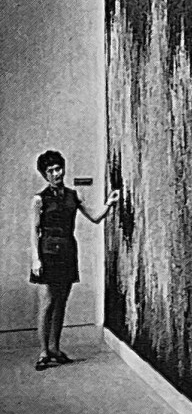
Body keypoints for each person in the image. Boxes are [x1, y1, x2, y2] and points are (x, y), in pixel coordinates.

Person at [30, 150, 120, 371]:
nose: (56, 174)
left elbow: (95, 217)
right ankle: (43, 352)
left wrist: (109, 203)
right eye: (50, 171)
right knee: (47, 303)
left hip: (67, 252)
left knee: (61, 301)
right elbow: (34, 231)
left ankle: (55, 348)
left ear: (63, 169)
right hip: (47, 253)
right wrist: (35, 259)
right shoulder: (39, 199)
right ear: (44, 174)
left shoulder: (74, 195)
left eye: (58, 169)